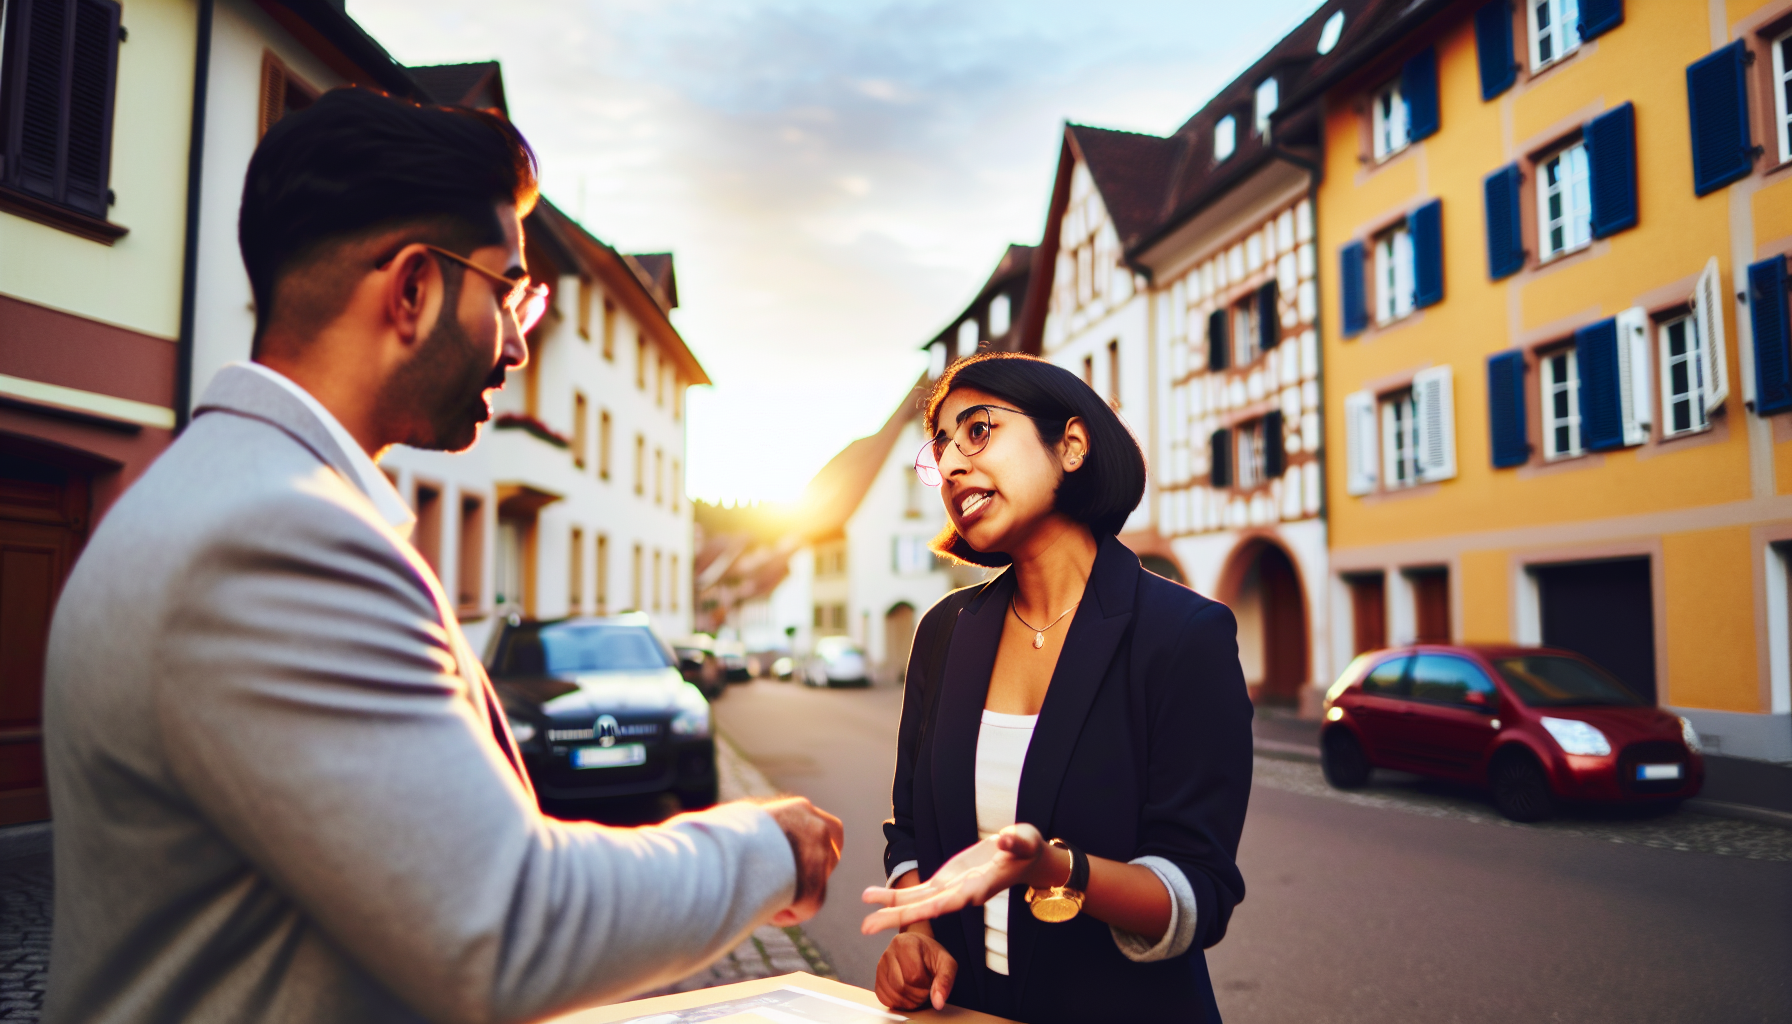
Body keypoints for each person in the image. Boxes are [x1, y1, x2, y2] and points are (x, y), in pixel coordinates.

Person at [40, 87, 841, 1024]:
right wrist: (765, 844)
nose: (515, 343)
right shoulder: (280, 535)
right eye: (510, 292)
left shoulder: (230, 494)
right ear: (414, 289)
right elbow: (507, 927)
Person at [864, 352, 1253, 1024]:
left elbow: (1199, 894)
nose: (952, 465)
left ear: (1071, 445)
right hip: (965, 1012)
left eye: (978, 431)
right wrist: (916, 932)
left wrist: (1057, 867)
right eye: (943, 447)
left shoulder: (1185, 635)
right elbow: (911, 833)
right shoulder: (946, 631)